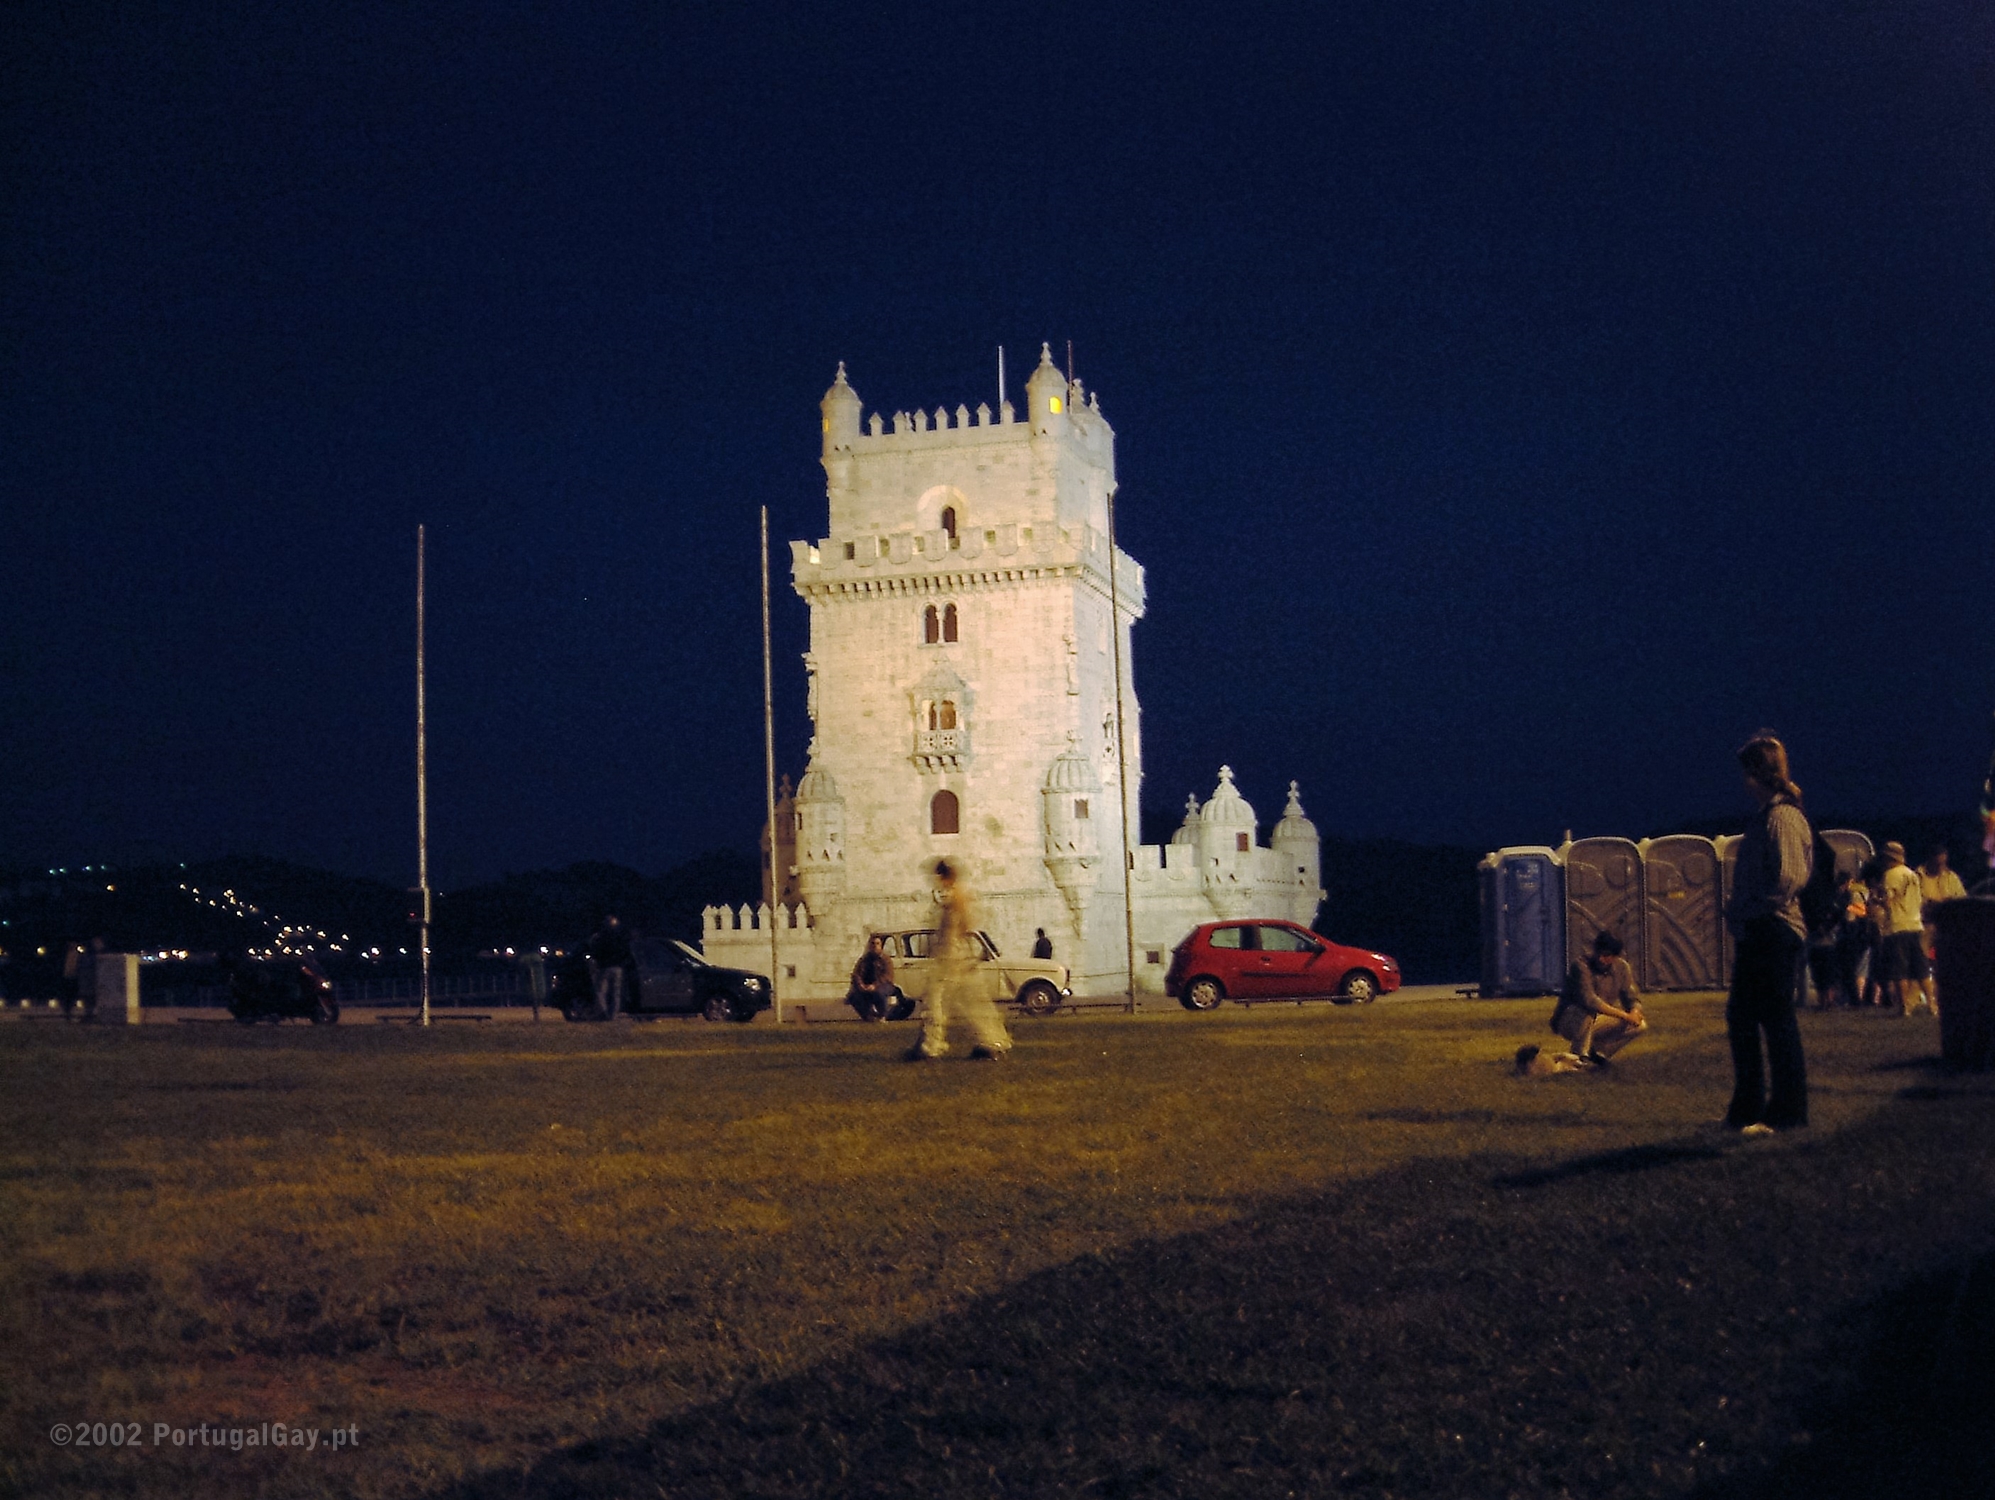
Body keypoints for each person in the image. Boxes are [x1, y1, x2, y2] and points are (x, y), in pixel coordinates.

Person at [1721, 732, 1811, 1136]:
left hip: (1773, 928)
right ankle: (1747, 1108)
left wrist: (1747, 907)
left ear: (1757, 773)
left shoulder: (1782, 817)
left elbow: (1787, 878)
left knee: (1775, 1020)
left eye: (1746, 772)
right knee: (1743, 1016)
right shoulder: (1767, 816)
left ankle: (1788, 1111)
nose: (1743, 782)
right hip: (1761, 928)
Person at [906, 859, 1010, 1061]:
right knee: (974, 1002)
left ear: (943, 876)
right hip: (956, 957)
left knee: (936, 1000)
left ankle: (930, 1045)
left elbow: (965, 924)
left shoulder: (956, 897)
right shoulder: (954, 896)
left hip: (950, 959)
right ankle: (992, 1042)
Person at [1550, 930, 1647, 1065]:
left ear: (1616, 956)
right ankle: (1579, 1058)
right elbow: (1590, 1001)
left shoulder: (1622, 968)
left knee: (1640, 1025)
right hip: (1569, 1020)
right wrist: (1625, 1016)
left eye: (1606, 955)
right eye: (1599, 953)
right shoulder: (1580, 966)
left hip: (1597, 1018)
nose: (1601, 959)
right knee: (1588, 1012)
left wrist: (1634, 1012)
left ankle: (1598, 1055)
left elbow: (1632, 997)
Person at [1875, 842, 1930, 1017]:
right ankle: (1933, 1004)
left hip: (1898, 926)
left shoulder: (1890, 875)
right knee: (1921, 969)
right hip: (1916, 925)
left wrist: (1877, 900)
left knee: (1900, 971)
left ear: (1888, 858)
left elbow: (1888, 901)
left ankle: (1904, 1007)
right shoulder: (1912, 874)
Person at [1919, 847, 1967, 1016]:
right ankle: (1922, 1000)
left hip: (1947, 929)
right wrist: (1932, 904)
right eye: (1938, 862)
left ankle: (1945, 999)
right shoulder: (1918, 876)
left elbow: (1962, 899)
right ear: (1931, 859)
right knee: (1923, 964)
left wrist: (1950, 903)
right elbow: (1916, 901)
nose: (1941, 865)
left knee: (1945, 965)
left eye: (1943, 862)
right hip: (1926, 927)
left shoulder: (1951, 877)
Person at [586, 915, 634, 1020]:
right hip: (617, 968)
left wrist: (597, 962)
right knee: (616, 993)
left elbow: (596, 951)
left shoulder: (601, 937)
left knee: (601, 991)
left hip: (605, 967)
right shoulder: (620, 937)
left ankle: (604, 1012)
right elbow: (625, 951)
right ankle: (613, 1015)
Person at [848, 934, 895, 1022]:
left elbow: (887, 976)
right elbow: (856, 974)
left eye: (877, 943)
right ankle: (867, 1015)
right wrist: (860, 984)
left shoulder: (886, 959)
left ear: (881, 945)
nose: (875, 946)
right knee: (853, 996)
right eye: (873, 943)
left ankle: (882, 1015)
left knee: (879, 993)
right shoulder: (864, 959)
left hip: (884, 985)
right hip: (866, 985)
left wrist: (875, 985)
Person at [1514, 1042, 1589, 1077]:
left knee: (1567, 1059)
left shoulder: (1541, 1061)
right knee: (1570, 1064)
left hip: (1557, 1061)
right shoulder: (1532, 1067)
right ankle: (1585, 1066)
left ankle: (1584, 1065)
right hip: (1557, 1065)